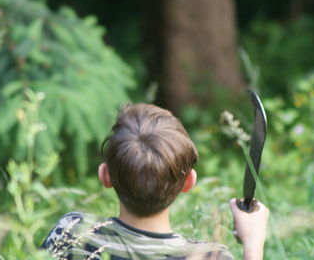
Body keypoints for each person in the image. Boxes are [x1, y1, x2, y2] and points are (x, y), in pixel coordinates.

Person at [41, 104, 269, 260]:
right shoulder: (209, 257)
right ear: (188, 182)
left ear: (105, 175)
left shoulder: (72, 233)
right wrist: (253, 244)